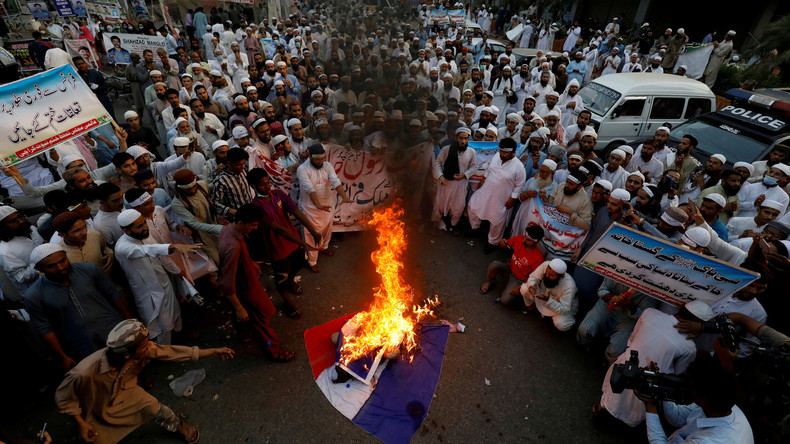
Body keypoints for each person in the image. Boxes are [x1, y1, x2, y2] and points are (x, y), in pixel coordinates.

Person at [55, 319, 234, 444]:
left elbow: (172, 352)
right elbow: (63, 398)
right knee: (96, 437)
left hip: (128, 393)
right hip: (96, 406)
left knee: (155, 407)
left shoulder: (140, 350)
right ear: (127, 354)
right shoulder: (83, 372)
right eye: (145, 345)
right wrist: (80, 423)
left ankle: (180, 427)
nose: (150, 346)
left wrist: (212, 352)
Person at [596, 301, 714, 427]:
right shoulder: (689, 347)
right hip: (649, 384)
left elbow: (632, 339)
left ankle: (599, 413)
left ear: (681, 308)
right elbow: (678, 374)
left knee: (610, 398)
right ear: (697, 325)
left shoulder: (650, 313)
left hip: (625, 367)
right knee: (632, 412)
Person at [24, 243, 131, 369]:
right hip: (82, 343)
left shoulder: (89, 270)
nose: (60, 267)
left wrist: (128, 318)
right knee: (102, 371)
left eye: (62, 260)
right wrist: (62, 356)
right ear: (39, 268)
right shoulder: (34, 295)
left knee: (130, 360)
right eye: (52, 266)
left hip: (112, 327)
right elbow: (44, 329)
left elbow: (112, 294)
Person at [218, 204, 295, 361]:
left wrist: (250, 262)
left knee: (245, 319)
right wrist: (239, 308)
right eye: (253, 225)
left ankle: (245, 334)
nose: (255, 228)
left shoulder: (229, 230)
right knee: (260, 323)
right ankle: (273, 351)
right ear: (241, 222)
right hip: (244, 290)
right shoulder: (232, 246)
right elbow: (227, 283)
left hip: (245, 282)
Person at [114, 209, 202, 345]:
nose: (144, 227)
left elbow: (161, 255)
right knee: (162, 325)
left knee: (175, 311)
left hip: (163, 281)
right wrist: (174, 246)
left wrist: (178, 271)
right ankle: (164, 350)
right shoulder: (122, 247)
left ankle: (180, 338)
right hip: (148, 290)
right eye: (139, 226)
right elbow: (146, 250)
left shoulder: (145, 235)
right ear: (127, 231)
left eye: (144, 223)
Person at [248, 168, 320, 318]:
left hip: (293, 242)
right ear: (254, 186)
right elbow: (278, 229)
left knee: (300, 262)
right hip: (277, 248)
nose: (267, 186)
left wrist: (313, 231)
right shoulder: (256, 206)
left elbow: (297, 212)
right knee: (281, 278)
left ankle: (291, 282)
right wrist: (303, 242)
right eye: (262, 185)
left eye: (268, 182)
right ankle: (287, 302)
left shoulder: (278, 194)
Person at [640, 354, 754, 443]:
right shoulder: (721, 402)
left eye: (689, 386)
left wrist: (650, 407)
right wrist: (660, 386)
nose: (686, 388)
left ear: (703, 400)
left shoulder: (710, 441)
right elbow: (678, 417)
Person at [295, 144, 352, 272]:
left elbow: (335, 181)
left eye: (323, 158)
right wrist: (318, 205)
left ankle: (323, 247)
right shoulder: (303, 169)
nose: (320, 162)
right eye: (317, 159)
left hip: (327, 206)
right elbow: (309, 188)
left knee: (327, 230)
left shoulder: (327, 166)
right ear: (309, 156)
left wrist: (344, 197)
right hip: (310, 208)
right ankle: (311, 261)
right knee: (310, 235)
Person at [468, 138, 526, 253]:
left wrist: (512, 199)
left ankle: (492, 242)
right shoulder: (496, 156)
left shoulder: (519, 167)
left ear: (513, 152)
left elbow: (519, 185)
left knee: (497, 221)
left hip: (502, 198)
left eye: (506, 153)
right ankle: (475, 228)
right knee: (473, 206)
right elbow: (489, 170)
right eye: (501, 151)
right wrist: (483, 179)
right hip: (486, 191)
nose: (502, 154)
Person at [576, 278, 656, 364]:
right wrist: (613, 297)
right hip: (607, 305)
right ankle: (584, 343)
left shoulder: (650, 289)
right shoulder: (619, 270)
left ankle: (608, 360)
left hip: (628, 318)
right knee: (585, 329)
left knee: (616, 351)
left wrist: (630, 305)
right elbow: (602, 290)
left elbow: (643, 316)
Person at [483, 225, 545, 302]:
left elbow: (533, 278)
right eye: (525, 237)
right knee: (494, 265)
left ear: (537, 243)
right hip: (509, 268)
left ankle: (519, 296)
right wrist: (503, 243)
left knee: (505, 300)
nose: (524, 240)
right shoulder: (520, 238)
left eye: (528, 240)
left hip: (519, 279)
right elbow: (505, 244)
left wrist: (519, 288)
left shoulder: (538, 258)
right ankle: (490, 282)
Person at [432, 127, 477, 233]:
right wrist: (440, 175)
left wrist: (464, 175)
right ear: (456, 138)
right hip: (445, 183)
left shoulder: (471, 152)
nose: (463, 141)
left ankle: (454, 224)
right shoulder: (446, 149)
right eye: (461, 138)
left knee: (458, 207)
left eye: (465, 139)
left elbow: (474, 166)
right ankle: (435, 224)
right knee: (439, 205)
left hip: (460, 184)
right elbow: (437, 163)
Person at [519, 259, 578, 331]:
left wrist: (547, 300)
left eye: (551, 275)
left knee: (561, 323)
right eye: (546, 272)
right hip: (543, 295)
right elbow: (533, 277)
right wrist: (532, 286)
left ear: (561, 277)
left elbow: (564, 309)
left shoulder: (569, 286)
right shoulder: (546, 265)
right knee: (524, 288)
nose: (547, 276)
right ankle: (531, 305)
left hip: (559, 305)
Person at [73, 57, 116, 121]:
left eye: (82, 63)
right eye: (78, 64)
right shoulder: (76, 77)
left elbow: (105, 87)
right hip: (90, 103)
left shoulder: (95, 73)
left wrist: (97, 88)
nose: (81, 65)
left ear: (85, 63)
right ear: (75, 66)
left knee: (111, 118)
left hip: (102, 100)